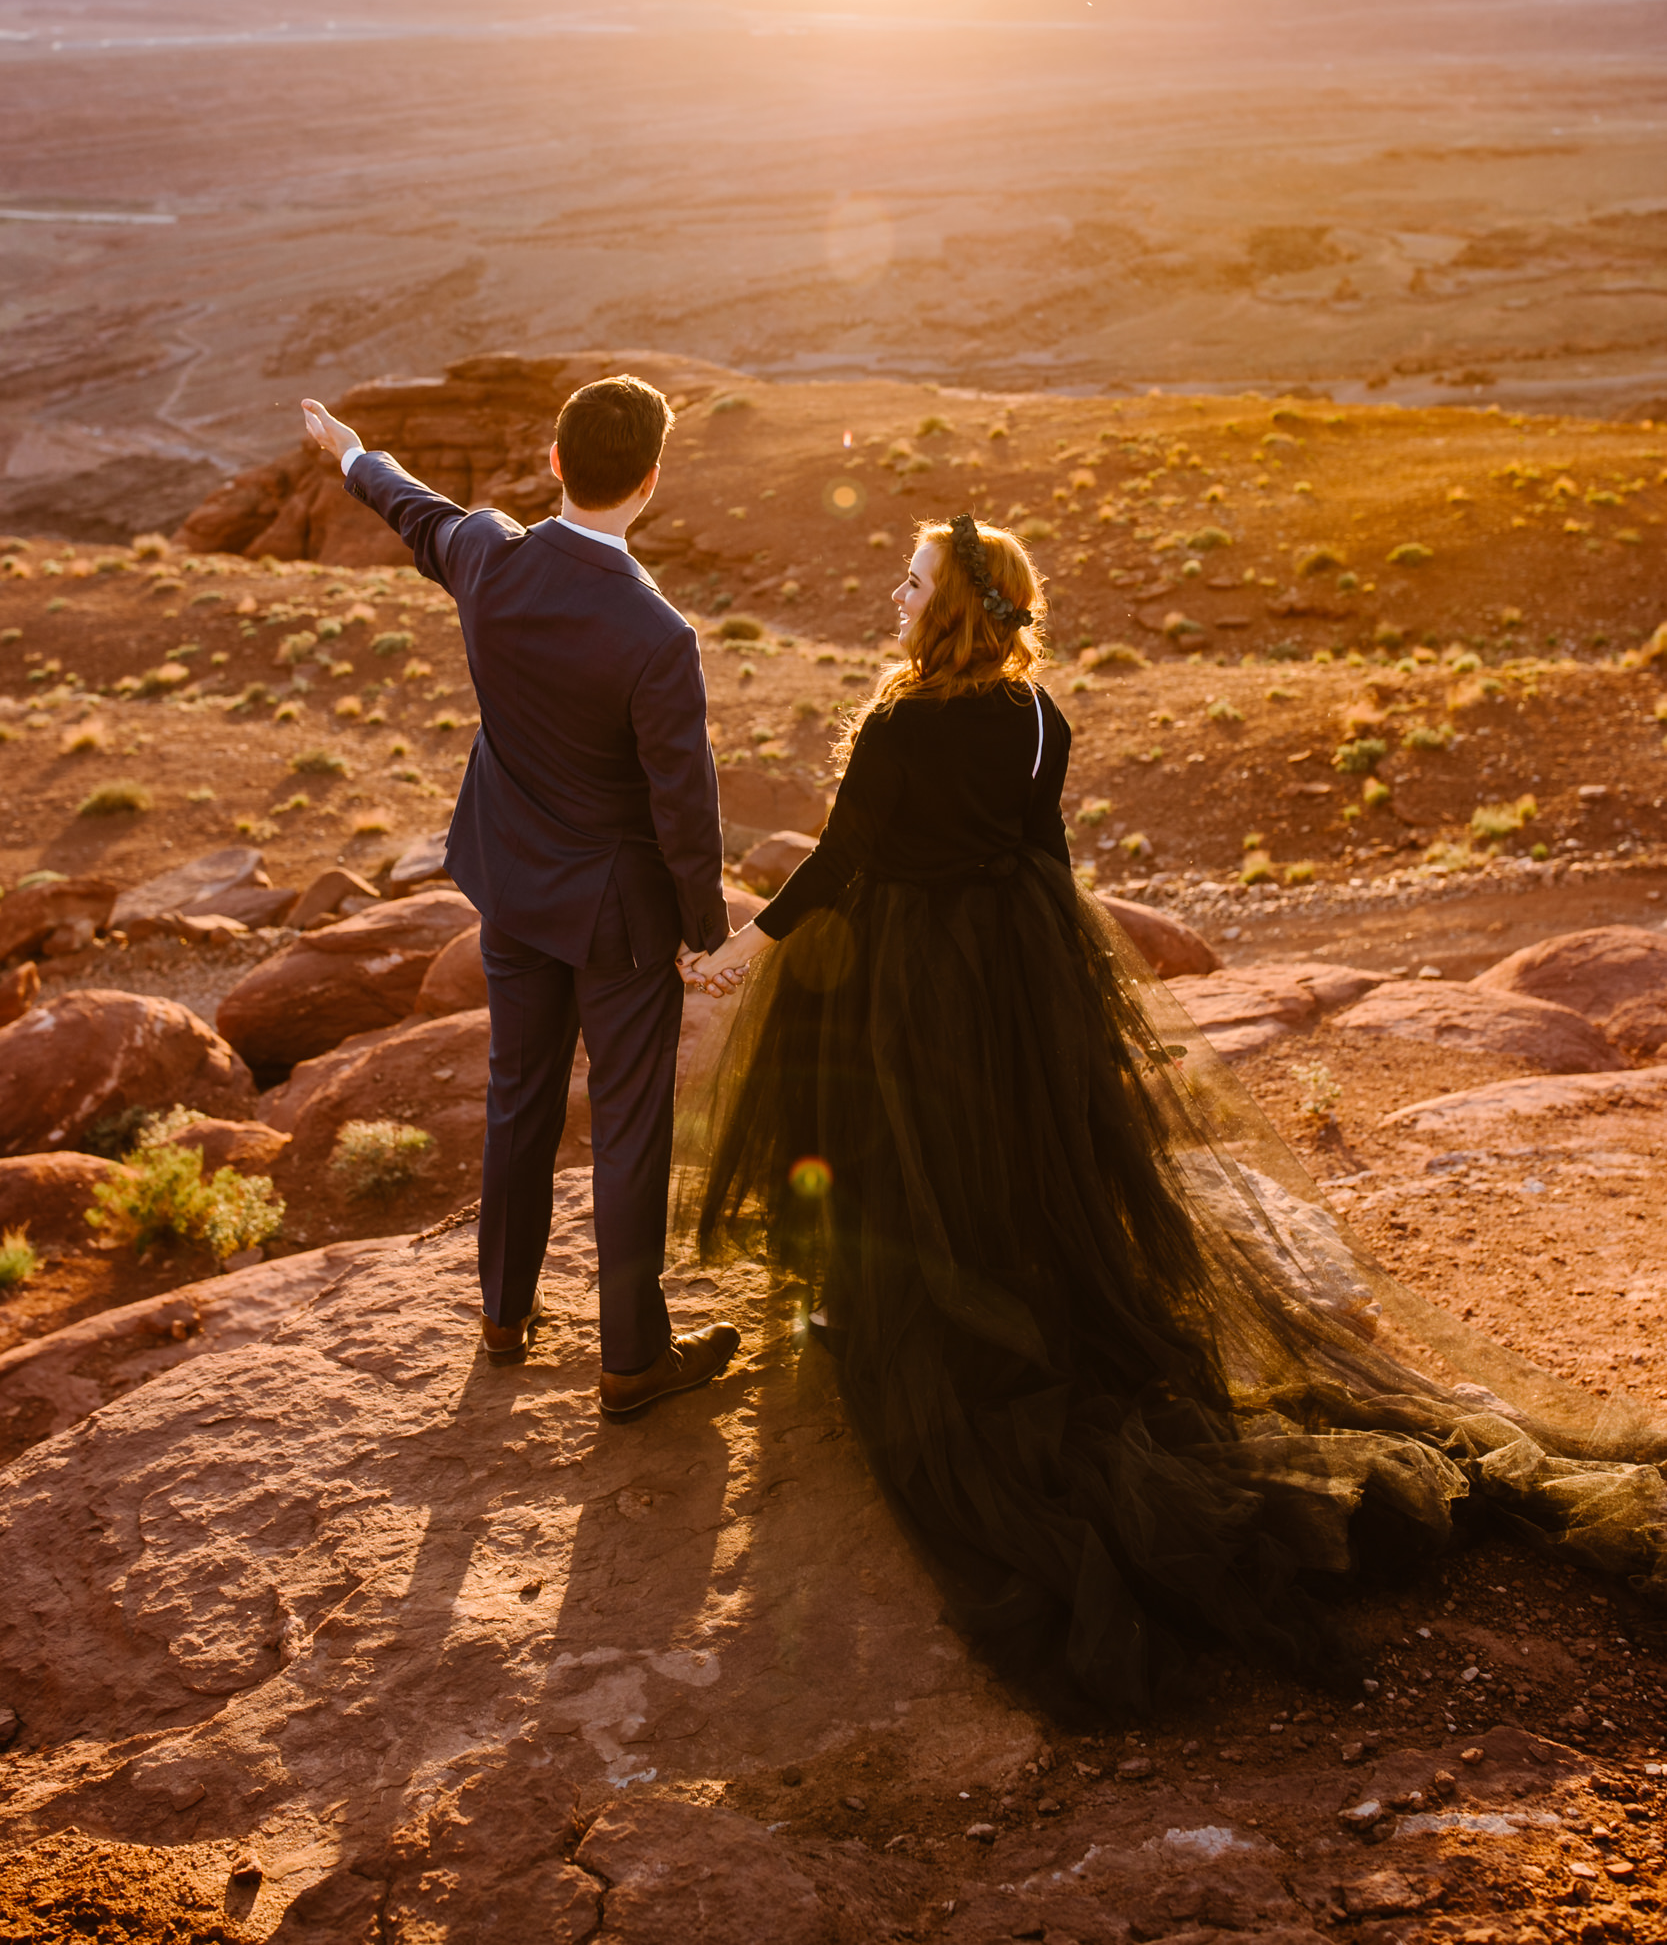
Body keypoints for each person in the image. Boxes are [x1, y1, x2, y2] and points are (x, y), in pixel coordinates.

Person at [676, 514, 1667, 1715]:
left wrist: (745, 945)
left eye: (914, 580)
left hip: (909, 969)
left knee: (896, 1140)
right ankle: (1014, 1291)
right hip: (1018, 967)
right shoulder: (1043, 715)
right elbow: (1040, 852)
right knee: (1011, 1149)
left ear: (954, 605)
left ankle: (892, 1302)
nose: (895, 592)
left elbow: (840, 857)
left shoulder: (899, 720)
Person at [301, 375, 740, 1417]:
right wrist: (704, 931)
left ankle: (504, 1313)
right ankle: (630, 1361)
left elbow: (414, 509)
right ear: (650, 481)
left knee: (518, 1093)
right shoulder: (656, 634)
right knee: (628, 1126)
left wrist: (351, 451)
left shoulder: (490, 556)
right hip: (616, 918)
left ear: (554, 460)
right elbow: (685, 806)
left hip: (510, 886)